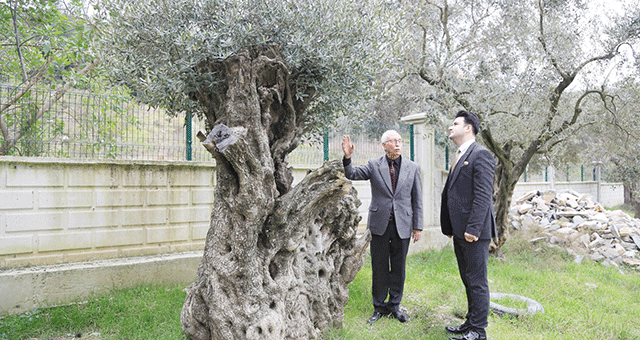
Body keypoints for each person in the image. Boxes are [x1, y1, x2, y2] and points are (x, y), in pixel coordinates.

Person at [342, 130, 423, 324]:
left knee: (399, 267)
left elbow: (417, 199)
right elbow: (352, 173)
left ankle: (394, 306)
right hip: (379, 224)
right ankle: (378, 306)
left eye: (399, 141)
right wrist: (347, 157)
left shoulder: (412, 167)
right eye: (393, 141)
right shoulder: (373, 165)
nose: (397, 144)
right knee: (379, 266)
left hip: (403, 224)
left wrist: (417, 226)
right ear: (384, 145)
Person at [440, 110, 497, 340]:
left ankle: (478, 330)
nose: (450, 127)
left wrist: (473, 229)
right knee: (467, 279)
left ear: (468, 128)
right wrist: (452, 227)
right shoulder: (460, 154)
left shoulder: (480, 154)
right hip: (460, 231)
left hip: (474, 232)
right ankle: (470, 322)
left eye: (455, 124)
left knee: (477, 281)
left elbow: (483, 196)